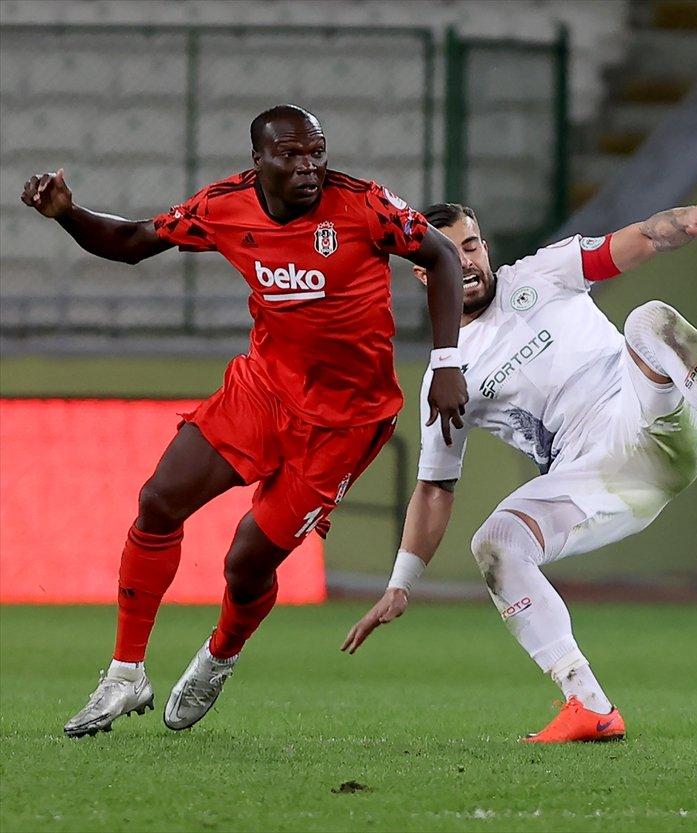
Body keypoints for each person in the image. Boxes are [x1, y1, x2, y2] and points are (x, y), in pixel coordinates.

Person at [21, 104, 470, 737]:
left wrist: (447, 360)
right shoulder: (224, 205)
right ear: (257, 161)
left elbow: (443, 256)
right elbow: (130, 244)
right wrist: (68, 212)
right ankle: (125, 675)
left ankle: (219, 655)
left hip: (344, 421)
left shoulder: (364, 205)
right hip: (262, 391)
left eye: (316, 152)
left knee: (246, 563)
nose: (309, 167)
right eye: (290, 155)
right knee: (158, 501)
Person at [341, 183, 697, 742]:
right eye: (448, 252)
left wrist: (682, 223)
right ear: (422, 271)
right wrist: (400, 583)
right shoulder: (448, 374)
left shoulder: (542, 273)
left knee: (646, 318)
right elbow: (436, 486)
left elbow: (632, 241)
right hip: (598, 480)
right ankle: (588, 704)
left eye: (472, 245)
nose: (465, 260)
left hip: (645, 413)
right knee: (495, 544)